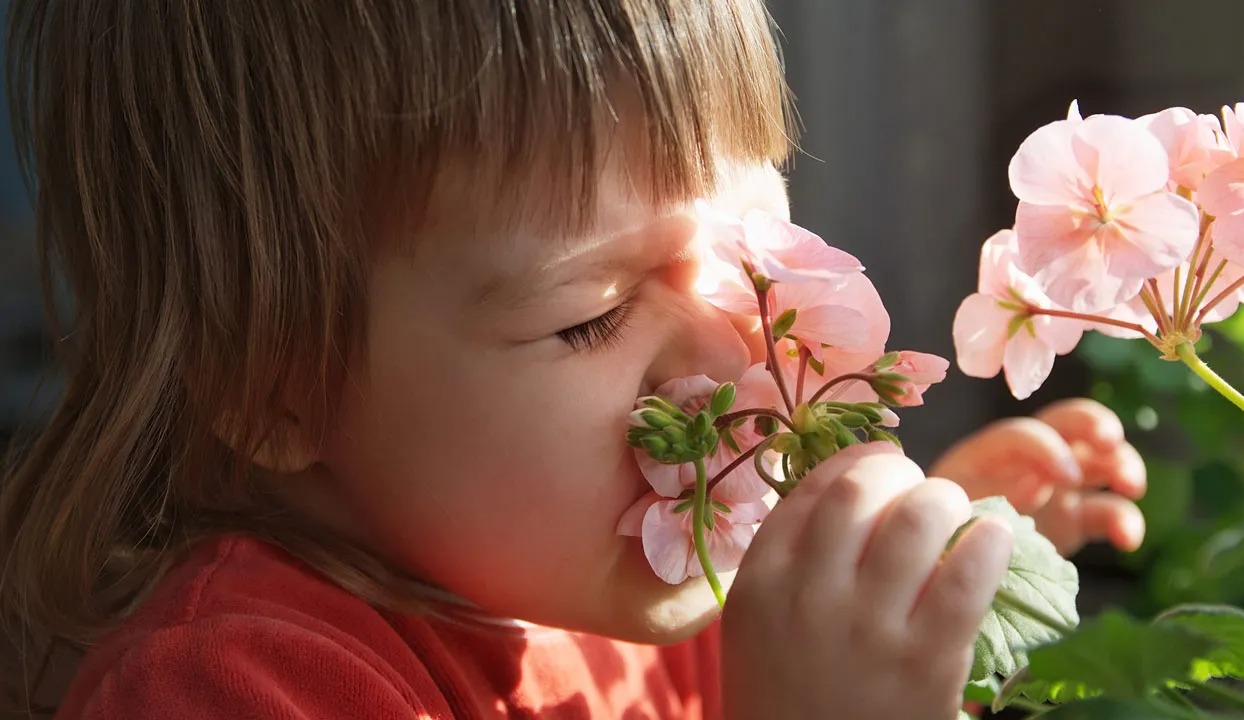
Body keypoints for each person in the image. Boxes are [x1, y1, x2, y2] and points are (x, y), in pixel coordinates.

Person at [0, 1, 1146, 717]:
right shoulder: (232, 691)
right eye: (591, 316)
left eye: (750, 259)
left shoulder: (588, 589)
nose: (725, 350)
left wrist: (881, 596)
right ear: (272, 382)